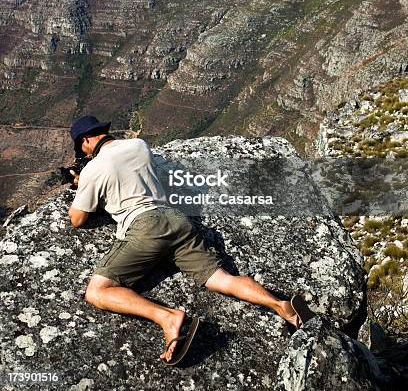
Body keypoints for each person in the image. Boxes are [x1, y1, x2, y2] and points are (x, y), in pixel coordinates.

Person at [67, 115, 309, 365]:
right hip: (177, 221)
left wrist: (82, 182)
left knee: (97, 291)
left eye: (81, 148)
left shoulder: (93, 171)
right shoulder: (139, 146)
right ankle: (280, 304)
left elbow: (77, 219)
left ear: (85, 141)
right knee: (222, 279)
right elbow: (128, 171)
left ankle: (167, 318)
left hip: (144, 228)